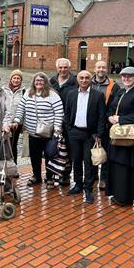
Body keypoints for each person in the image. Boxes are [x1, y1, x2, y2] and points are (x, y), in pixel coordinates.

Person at [107, 67, 134, 206]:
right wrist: (110, 117)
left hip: (130, 140)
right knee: (118, 166)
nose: (126, 79)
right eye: (124, 76)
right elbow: (113, 107)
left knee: (127, 168)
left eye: (129, 76)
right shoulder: (122, 91)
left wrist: (120, 119)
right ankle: (119, 194)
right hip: (119, 137)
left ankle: (126, 197)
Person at [12, 72, 64, 188]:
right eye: (37, 80)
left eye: (41, 80)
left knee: (50, 155)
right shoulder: (28, 94)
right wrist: (16, 120)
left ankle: (50, 177)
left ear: (45, 82)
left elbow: (59, 113)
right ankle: (36, 176)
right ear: (33, 82)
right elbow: (21, 108)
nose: (39, 82)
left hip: (48, 133)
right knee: (34, 155)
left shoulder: (53, 95)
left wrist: (57, 129)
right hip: (32, 132)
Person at [64, 70, 106, 204]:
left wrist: (99, 134)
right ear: (78, 80)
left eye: (87, 78)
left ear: (90, 79)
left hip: (90, 134)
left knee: (89, 162)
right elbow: (67, 113)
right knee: (76, 160)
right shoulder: (71, 94)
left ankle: (88, 188)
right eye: (81, 78)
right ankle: (78, 184)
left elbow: (101, 116)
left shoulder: (98, 95)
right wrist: (69, 129)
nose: (84, 80)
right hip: (74, 133)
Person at [91, 60, 120, 190]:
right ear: (94, 69)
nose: (101, 69)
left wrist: (109, 118)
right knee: (92, 150)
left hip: (106, 124)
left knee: (106, 152)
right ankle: (93, 175)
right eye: (99, 67)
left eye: (103, 67)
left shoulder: (113, 86)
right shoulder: (87, 82)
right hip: (91, 124)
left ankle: (103, 178)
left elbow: (115, 105)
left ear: (106, 69)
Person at [50, 58, 78, 186]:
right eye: (60, 67)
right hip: (53, 121)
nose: (63, 70)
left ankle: (66, 175)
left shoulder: (75, 82)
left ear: (69, 68)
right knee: (52, 148)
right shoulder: (51, 82)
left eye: (65, 67)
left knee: (68, 149)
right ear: (57, 68)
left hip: (69, 122)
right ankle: (51, 174)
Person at [2, 69, 26, 164]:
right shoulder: (4, 90)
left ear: (21, 80)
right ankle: (4, 165)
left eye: (18, 78)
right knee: (5, 145)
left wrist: (21, 122)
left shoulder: (24, 92)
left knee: (13, 145)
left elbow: (24, 108)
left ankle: (13, 166)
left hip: (17, 123)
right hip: (5, 122)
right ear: (11, 79)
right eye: (14, 78)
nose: (16, 80)